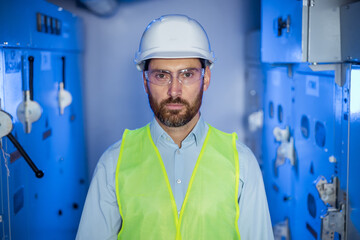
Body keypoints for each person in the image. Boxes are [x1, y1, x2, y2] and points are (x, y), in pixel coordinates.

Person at [76, 14, 274, 240]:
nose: (174, 91)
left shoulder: (242, 162)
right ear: (145, 81)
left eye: (187, 75)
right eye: (162, 75)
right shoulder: (113, 162)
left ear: (206, 78)